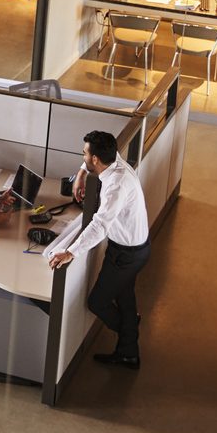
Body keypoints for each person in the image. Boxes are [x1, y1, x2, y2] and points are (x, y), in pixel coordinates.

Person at [48, 131, 149, 369]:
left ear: (95, 158)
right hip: (135, 248)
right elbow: (91, 160)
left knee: (97, 302)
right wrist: (81, 174)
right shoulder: (114, 161)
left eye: (84, 154)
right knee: (125, 297)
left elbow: (100, 225)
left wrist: (71, 252)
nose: (82, 156)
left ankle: (129, 334)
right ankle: (128, 353)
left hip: (126, 254)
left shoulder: (116, 186)